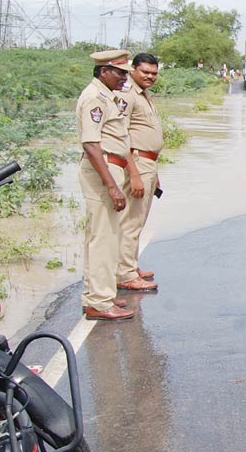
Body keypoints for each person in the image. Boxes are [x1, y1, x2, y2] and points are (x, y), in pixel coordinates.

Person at [76, 50, 137, 320]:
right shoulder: (94, 98)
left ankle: (98, 296)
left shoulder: (105, 96)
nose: (125, 78)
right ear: (104, 71)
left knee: (103, 236)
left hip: (111, 166)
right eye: (120, 73)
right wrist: (111, 186)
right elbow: (91, 144)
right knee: (104, 239)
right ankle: (100, 303)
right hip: (103, 169)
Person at [116, 53, 163, 292]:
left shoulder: (144, 94)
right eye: (145, 72)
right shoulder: (127, 95)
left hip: (148, 164)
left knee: (139, 218)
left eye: (154, 73)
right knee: (132, 221)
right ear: (133, 69)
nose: (150, 77)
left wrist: (154, 174)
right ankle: (124, 274)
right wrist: (133, 173)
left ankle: (130, 266)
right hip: (136, 162)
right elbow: (120, 136)